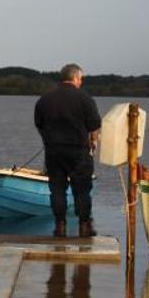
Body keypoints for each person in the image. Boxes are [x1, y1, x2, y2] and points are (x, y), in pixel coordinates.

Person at [34, 63, 102, 238]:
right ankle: (84, 226)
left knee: (57, 189)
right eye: (81, 79)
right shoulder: (85, 99)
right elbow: (95, 125)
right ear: (75, 78)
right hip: (79, 151)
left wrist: (48, 140)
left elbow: (39, 124)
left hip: (53, 152)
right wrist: (93, 141)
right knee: (82, 189)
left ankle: (60, 226)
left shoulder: (44, 99)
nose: (81, 82)